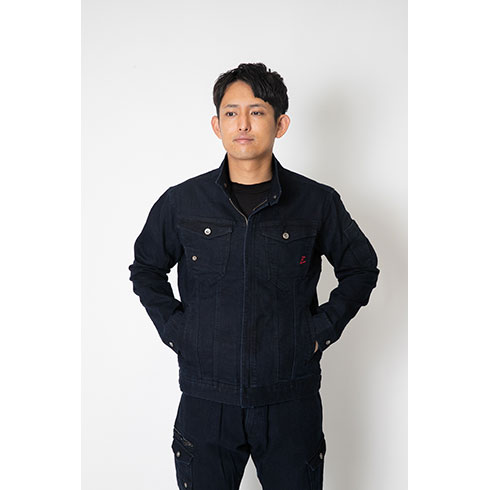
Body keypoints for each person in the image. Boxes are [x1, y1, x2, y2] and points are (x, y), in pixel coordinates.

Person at [128, 62, 380, 490]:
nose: (242, 124)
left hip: (289, 398)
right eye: (231, 112)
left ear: (280, 124)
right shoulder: (182, 203)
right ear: (217, 124)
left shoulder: (316, 202)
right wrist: (178, 331)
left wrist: (319, 332)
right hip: (206, 399)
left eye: (257, 112)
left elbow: (360, 268)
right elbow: (146, 269)